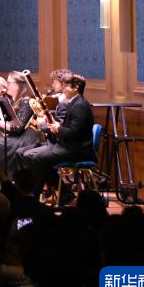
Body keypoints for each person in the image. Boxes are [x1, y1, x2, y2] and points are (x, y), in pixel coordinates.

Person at [21, 73, 94, 204]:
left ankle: (36, 196)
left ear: (76, 87)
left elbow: (74, 133)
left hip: (76, 150)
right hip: (69, 146)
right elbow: (70, 128)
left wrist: (57, 129)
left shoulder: (79, 105)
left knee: (38, 158)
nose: (63, 88)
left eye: (66, 86)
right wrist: (55, 124)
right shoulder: (75, 102)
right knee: (31, 156)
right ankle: (60, 192)